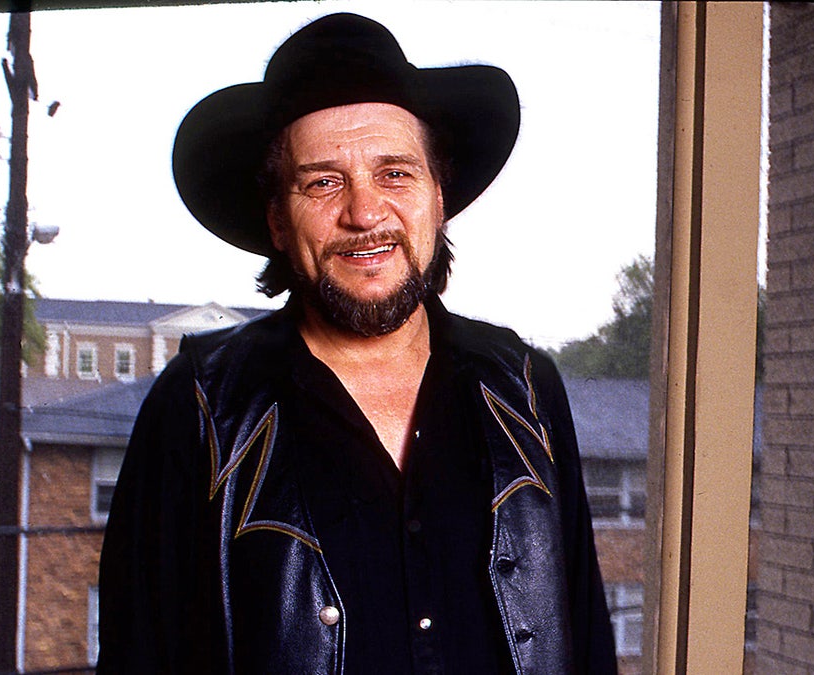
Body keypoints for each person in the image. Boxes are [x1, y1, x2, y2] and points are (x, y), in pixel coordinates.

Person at [98, 13, 616, 674]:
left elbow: (588, 645)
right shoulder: (200, 407)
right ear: (278, 221)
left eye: (394, 173)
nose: (364, 212)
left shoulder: (527, 390)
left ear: (437, 195)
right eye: (323, 181)